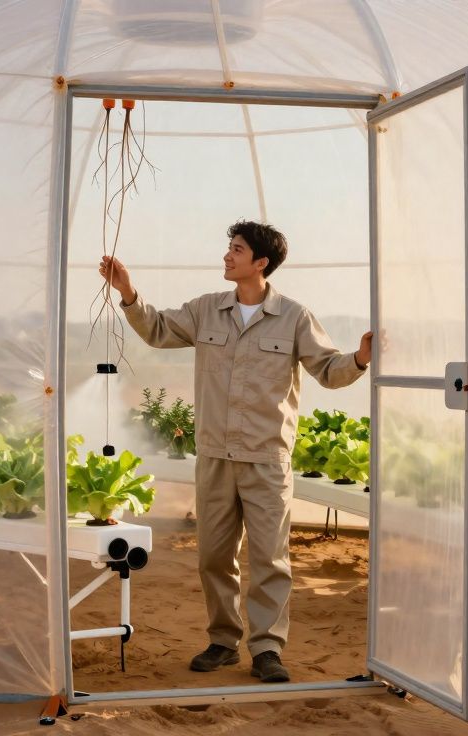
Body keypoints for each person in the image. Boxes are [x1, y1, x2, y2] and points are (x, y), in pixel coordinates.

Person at [98, 220, 371, 683]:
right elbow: (159, 329)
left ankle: (266, 650)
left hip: (267, 459)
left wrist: (362, 358)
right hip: (215, 457)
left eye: (237, 249)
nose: (227, 256)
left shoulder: (294, 317)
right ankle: (223, 642)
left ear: (261, 263)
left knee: (270, 559)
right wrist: (128, 293)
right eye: (229, 247)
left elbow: (328, 368)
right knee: (214, 556)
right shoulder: (206, 310)